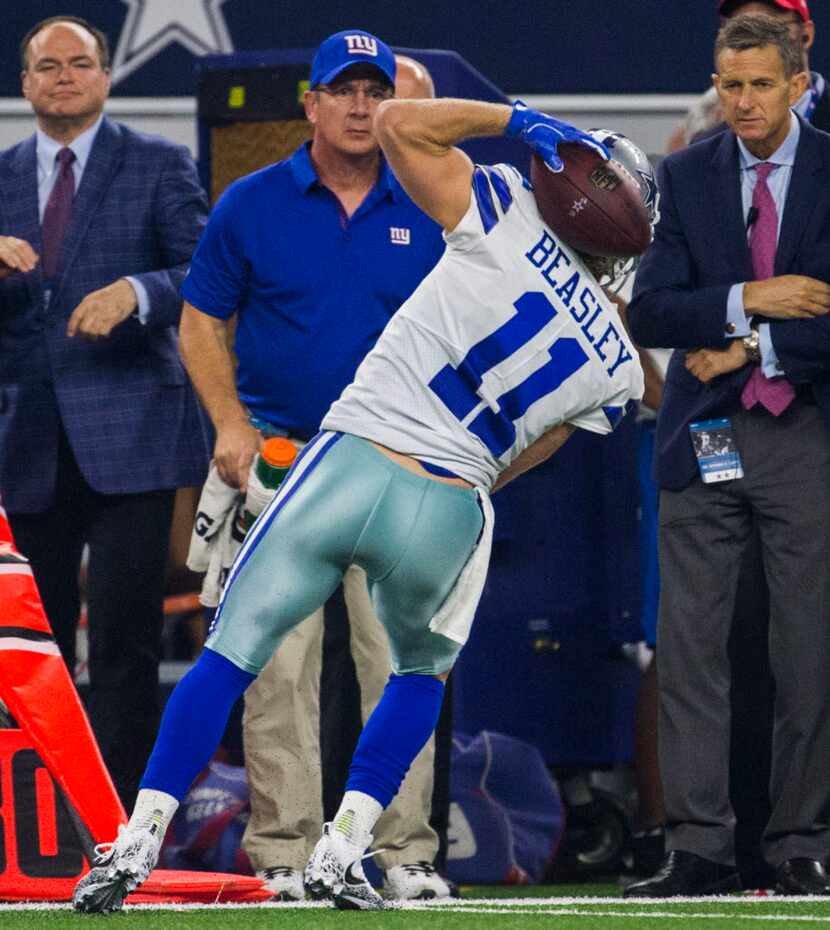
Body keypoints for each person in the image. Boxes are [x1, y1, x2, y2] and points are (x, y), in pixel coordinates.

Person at [71, 96, 649, 914]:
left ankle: (137, 840)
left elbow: (400, 124)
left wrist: (516, 120)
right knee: (417, 675)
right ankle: (347, 846)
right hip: (452, 502)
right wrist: (470, 482)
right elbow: (540, 447)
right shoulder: (619, 364)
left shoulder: (503, 210)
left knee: (232, 655)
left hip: (351, 460)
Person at [177, 32, 450, 901]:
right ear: (312, 104)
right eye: (344, 91)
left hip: (399, 466)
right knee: (278, 670)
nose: (362, 107)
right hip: (286, 465)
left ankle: (402, 854)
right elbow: (198, 322)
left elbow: (465, 332)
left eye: (375, 91)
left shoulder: (429, 201)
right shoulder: (252, 203)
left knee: (400, 664)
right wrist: (229, 421)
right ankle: (286, 858)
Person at [625, 13, 830, 897]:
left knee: (808, 651)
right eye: (728, 85)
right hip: (704, 436)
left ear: (796, 81)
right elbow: (653, 311)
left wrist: (753, 346)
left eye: (756, 85)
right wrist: (753, 296)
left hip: (804, 432)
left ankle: (799, 842)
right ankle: (699, 844)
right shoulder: (683, 172)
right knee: (692, 649)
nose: (740, 102)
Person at [0, 16, 210, 808]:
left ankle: (121, 824)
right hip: (26, 441)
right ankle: (39, 821)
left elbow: (205, 272)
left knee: (123, 644)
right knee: (31, 649)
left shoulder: (158, 165)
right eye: (45, 65)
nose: (62, 76)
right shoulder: (3, 175)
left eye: (78, 63)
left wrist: (139, 293)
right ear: (24, 85)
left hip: (134, 436)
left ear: (106, 75)